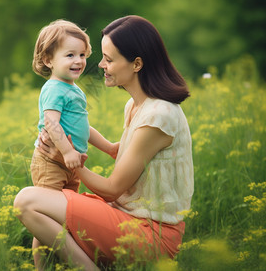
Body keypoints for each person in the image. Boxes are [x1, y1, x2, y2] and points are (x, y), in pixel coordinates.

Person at [14, 15, 194, 270]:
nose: (99, 65)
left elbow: (111, 189)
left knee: (26, 201)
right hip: (125, 216)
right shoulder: (135, 105)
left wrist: (67, 160)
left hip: (150, 235)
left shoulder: (159, 115)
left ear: (136, 64)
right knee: (43, 207)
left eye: (109, 59)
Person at [29, 19, 119, 268]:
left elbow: (82, 128)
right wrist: (67, 151)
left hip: (70, 162)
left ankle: (65, 259)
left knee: (65, 214)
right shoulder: (54, 89)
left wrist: (109, 147)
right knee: (44, 215)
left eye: (81, 54)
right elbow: (51, 123)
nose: (78, 61)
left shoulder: (73, 89)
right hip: (52, 162)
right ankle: (41, 266)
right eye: (70, 55)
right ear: (49, 60)